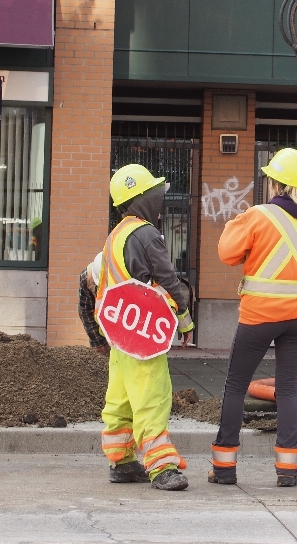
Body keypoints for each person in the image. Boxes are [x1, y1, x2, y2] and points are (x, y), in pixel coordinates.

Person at [208, 148, 297, 488]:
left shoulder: (258, 216)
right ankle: (287, 470)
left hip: (260, 315)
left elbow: (227, 253)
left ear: (274, 183)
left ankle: (225, 468)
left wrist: (237, 222)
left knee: (235, 386)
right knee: (288, 389)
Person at [97, 164, 195, 491]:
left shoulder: (114, 236)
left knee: (121, 399)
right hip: (145, 331)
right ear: (142, 198)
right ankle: (162, 469)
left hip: (120, 334)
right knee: (152, 397)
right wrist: (184, 318)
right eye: (156, 194)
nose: (160, 200)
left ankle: (122, 462)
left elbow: (100, 287)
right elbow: (167, 278)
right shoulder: (147, 233)